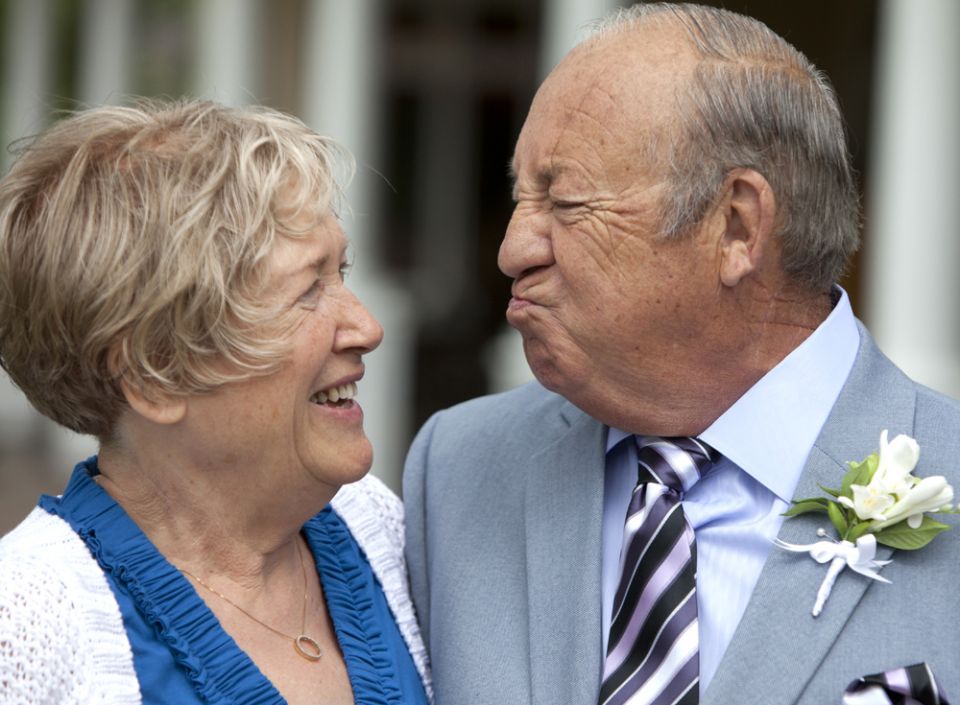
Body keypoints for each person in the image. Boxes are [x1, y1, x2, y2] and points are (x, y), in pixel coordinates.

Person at [403, 4, 960, 704]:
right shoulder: (458, 469)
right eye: (520, 197)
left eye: (566, 203)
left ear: (736, 227)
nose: (513, 250)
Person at [0, 99, 430, 705]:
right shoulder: (29, 627)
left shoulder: (375, 529)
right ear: (156, 374)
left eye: (342, 270)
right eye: (309, 289)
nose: (367, 326)